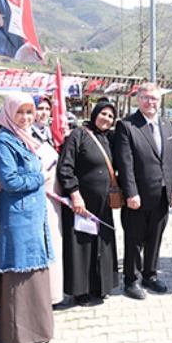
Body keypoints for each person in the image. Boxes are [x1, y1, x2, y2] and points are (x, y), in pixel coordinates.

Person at [0, 92, 55, 343]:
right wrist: (40, 177)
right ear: (8, 113)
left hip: (32, 213)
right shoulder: (3, 141)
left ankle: (39, 328)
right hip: (17, 215)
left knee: (34, 270)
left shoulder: (25, 139)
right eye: (20, 112)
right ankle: (18, 333)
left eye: (30, 112)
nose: (26, 117)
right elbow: (10, 181)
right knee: (19, 271)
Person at [114, 83, 172, 300]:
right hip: (138, 197)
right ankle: (131, 280)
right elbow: (126, 163)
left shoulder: (167, 126)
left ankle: (150, 275)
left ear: (160, 101)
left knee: (155, 237)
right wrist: (131, 192)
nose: (150, 102)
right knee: (134, 239)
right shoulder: (126, 126)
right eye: (146, 98)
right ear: (138, 99)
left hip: (162, 195)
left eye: (154, 98)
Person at [57, 99, 119, 306]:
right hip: (82, 203)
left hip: (103, 203)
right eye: (103, 114)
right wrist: (75, 194)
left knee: (101, 244)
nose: (106, 119)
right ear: (94, 114)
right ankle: (80, 291)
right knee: (82, 246)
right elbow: (65, 167)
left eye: (111, 116)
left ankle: (100, 285)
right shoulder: (78, 135)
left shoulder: (108, 139)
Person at [31, 94, 65, 307]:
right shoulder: (26, 136)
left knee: (55, 243)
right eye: (39, 108)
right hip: (37, 199)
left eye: (46, 109)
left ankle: (55, 292)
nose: (43, 113)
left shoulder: (51, 136)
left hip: (55, 200)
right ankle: (40, 296)